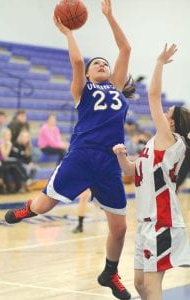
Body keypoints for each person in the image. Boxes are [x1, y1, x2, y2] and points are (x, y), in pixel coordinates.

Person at [5, 1, 134, 299]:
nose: (102, 64)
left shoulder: (115, 88)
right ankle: (28, 208)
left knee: (120, 228)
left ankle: (110, 272)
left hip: (110, 161)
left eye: (105, 63)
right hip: (82, 155)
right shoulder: (83, 90)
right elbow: (77, 62)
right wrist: (68, 33)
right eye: (97, 64)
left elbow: (125, 49)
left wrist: (109, 16)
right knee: (45, 206)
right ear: (88, 75)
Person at [113, 44, 190, 300]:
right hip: (145, 224)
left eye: (167, 113)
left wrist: (159, 62)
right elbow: (130, 171)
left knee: (152, 287)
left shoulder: (171, 139)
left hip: (162, 223)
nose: (162, 112)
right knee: (139, 284)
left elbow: (153, 95)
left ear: (171, 121)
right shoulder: (152, 145)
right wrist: (122, 156)